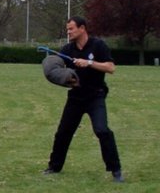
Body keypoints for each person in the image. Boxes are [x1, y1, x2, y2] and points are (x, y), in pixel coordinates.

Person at [42, 16, 124, 182]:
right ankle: (54, 167)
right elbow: (57, 69)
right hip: (76, 97)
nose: (68, 32)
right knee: (63, 132)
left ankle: (116, 170)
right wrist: (60, 76)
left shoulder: (98, 45)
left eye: (71, 29)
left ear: (82, 28)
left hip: (96, 96)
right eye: (67, 29)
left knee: (102, 130)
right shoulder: (67, 50)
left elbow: (111, 68)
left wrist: (88, 63)